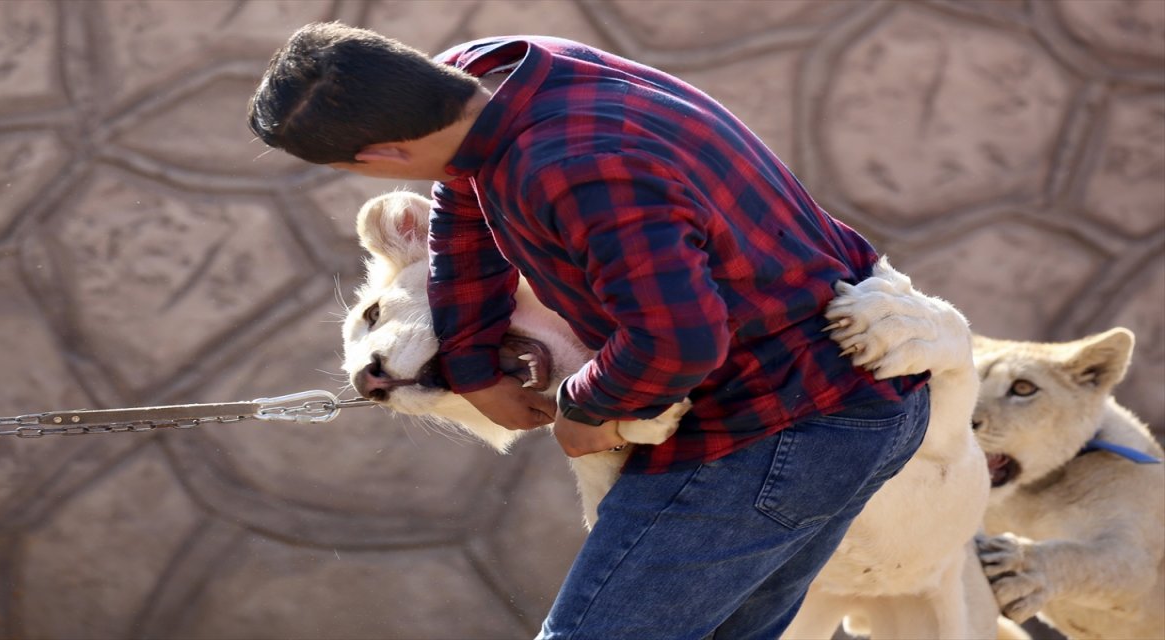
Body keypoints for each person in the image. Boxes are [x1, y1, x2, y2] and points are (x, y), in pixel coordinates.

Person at [248, 22, 930, 640]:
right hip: (845, 400)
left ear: (384, 157)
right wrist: (472, 363)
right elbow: (463, 196)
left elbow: (681, 340)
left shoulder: (571, 170)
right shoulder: (496, 79)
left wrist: (586, 408)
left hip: (786, 421)